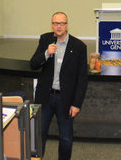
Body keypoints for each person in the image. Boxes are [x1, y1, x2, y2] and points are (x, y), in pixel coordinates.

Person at [29, 12, 88, 160]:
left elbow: (82, 79)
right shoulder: (45, 40)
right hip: (45, 97)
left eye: (62, 23)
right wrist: (46, 54)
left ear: (67, 25)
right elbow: (33, 64)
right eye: (55, 23)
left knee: (66, 139)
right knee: (38, 135)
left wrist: (76, 104)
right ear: (52, 25)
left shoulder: (79, 46)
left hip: (65, 99)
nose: (58, 26)